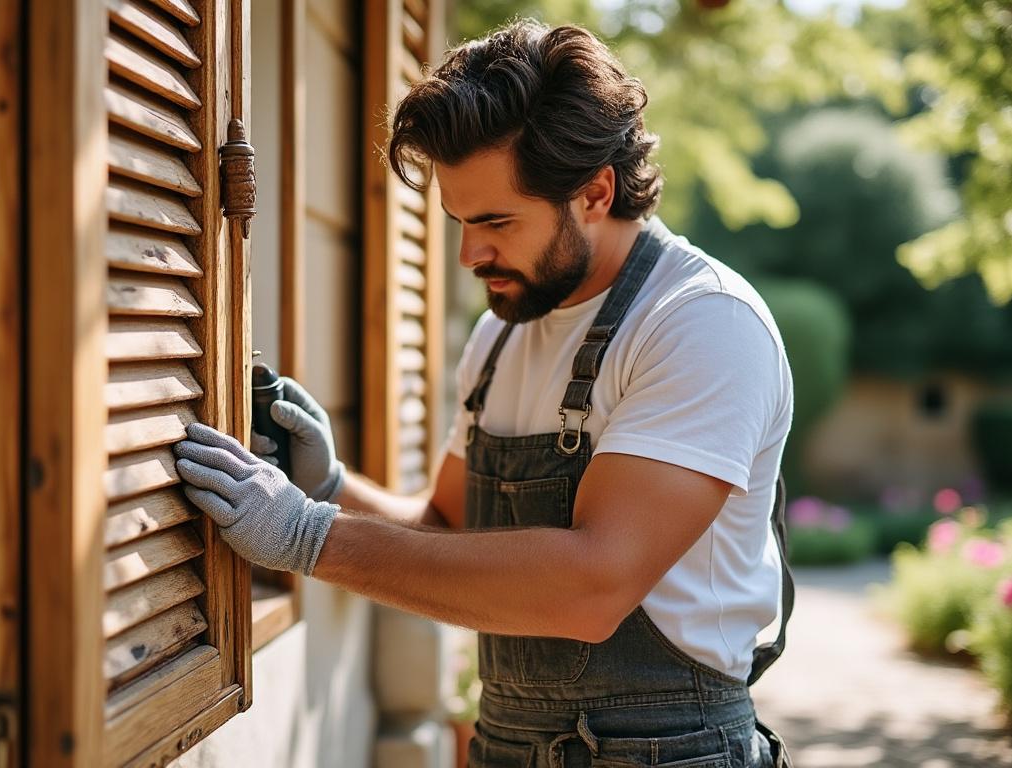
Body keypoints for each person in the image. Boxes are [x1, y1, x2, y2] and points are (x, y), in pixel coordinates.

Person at [173, 19, 794, 768]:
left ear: (596, 192)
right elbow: (448, 527)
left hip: (671, 751)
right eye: (460, 222)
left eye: (497, 221)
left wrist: (310, 536)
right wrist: (330, 488)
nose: (470, 254)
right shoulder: (502, 334)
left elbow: (593, 588)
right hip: (507, 742)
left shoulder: (700, 325)